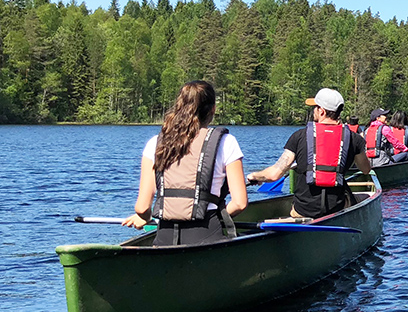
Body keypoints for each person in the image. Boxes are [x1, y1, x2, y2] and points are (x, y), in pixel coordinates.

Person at [122, 80, 248, 246]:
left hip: (164, 237)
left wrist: (145, 218)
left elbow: (142, 208)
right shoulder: (226, 142)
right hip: (207, 233)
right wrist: (219, 217)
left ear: (179, 106)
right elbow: (240, 203)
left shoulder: (155, 143)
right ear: (213, 109)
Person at [248, 87, 371, 219]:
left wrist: (255, 176)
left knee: (295, 209)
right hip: (337, 208)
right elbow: (365, 170)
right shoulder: (354, 139)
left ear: (322, 111)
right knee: (365, 197)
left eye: (315, 107)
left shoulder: (299, 136)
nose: (314, 110)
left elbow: (274, 175)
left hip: (303, 210)